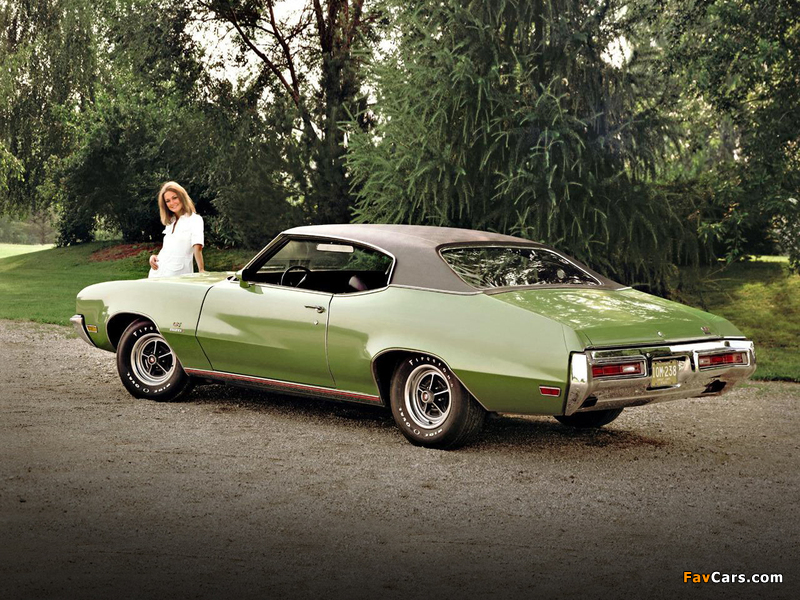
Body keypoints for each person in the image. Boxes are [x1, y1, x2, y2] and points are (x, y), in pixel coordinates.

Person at [148, 181, 205, 278]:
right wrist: (154, 257)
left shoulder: (195, 220)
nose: (172, 203)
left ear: (182, 197)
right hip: (156, 273)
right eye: (168, 201)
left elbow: (197, 247)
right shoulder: (171, 221)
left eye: (174, 198)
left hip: (177, 275)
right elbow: (169, 249)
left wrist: (201, 270)